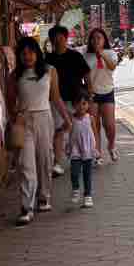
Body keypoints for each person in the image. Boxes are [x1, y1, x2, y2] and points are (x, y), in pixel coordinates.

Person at [6, 36, 71, 226]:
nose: (27, 56)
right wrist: (15, 116)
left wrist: (67, 119)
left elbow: (56, 98)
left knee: (45, 160)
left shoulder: (50, 71)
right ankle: (26, 207)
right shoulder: (14, 76)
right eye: (23, 53)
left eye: (31, 52)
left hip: (44, 118)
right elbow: (9, 100)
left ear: (37, 53)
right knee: (26, 164)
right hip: (24, 121)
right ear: (19, 56)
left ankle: (44, 197)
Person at [45, 24, 91, 177]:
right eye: (54, 38)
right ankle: (57, 163)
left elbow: (87, 75)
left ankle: (83, 157)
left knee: (77, 130)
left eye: (60, 37)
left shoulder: (75, 56)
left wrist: (89, 96)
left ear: (66, 38)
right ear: (51, 40)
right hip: (56, 101)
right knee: (59, 131)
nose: (57, 41)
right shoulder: (48, 59)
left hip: (76, 100)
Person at [86, 27, 119, 163]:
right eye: (93, 38)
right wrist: (88, 90)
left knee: (109, 125)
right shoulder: (86, 55)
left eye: (99, 38)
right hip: (92, 94)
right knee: (95, 126)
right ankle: (97, 153)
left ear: (104, 40)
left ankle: (111, 146)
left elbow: (112, 66)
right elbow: (85, 74)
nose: (96, 41)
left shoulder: (111, 53)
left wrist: (102, 54)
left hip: (107, 92)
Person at [67, 92, 96, 209]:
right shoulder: (71, 119)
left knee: (87, 174)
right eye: (78, 104)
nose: (81, 106)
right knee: (74, 172)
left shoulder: (90, 118)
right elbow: (66, 131)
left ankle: (88, 196)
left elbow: (95, 133)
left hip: (87, 150)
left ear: (88, 104)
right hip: (75, 150)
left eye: (84, 103)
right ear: (73, 105)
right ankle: (76, 189)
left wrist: (96, 149)